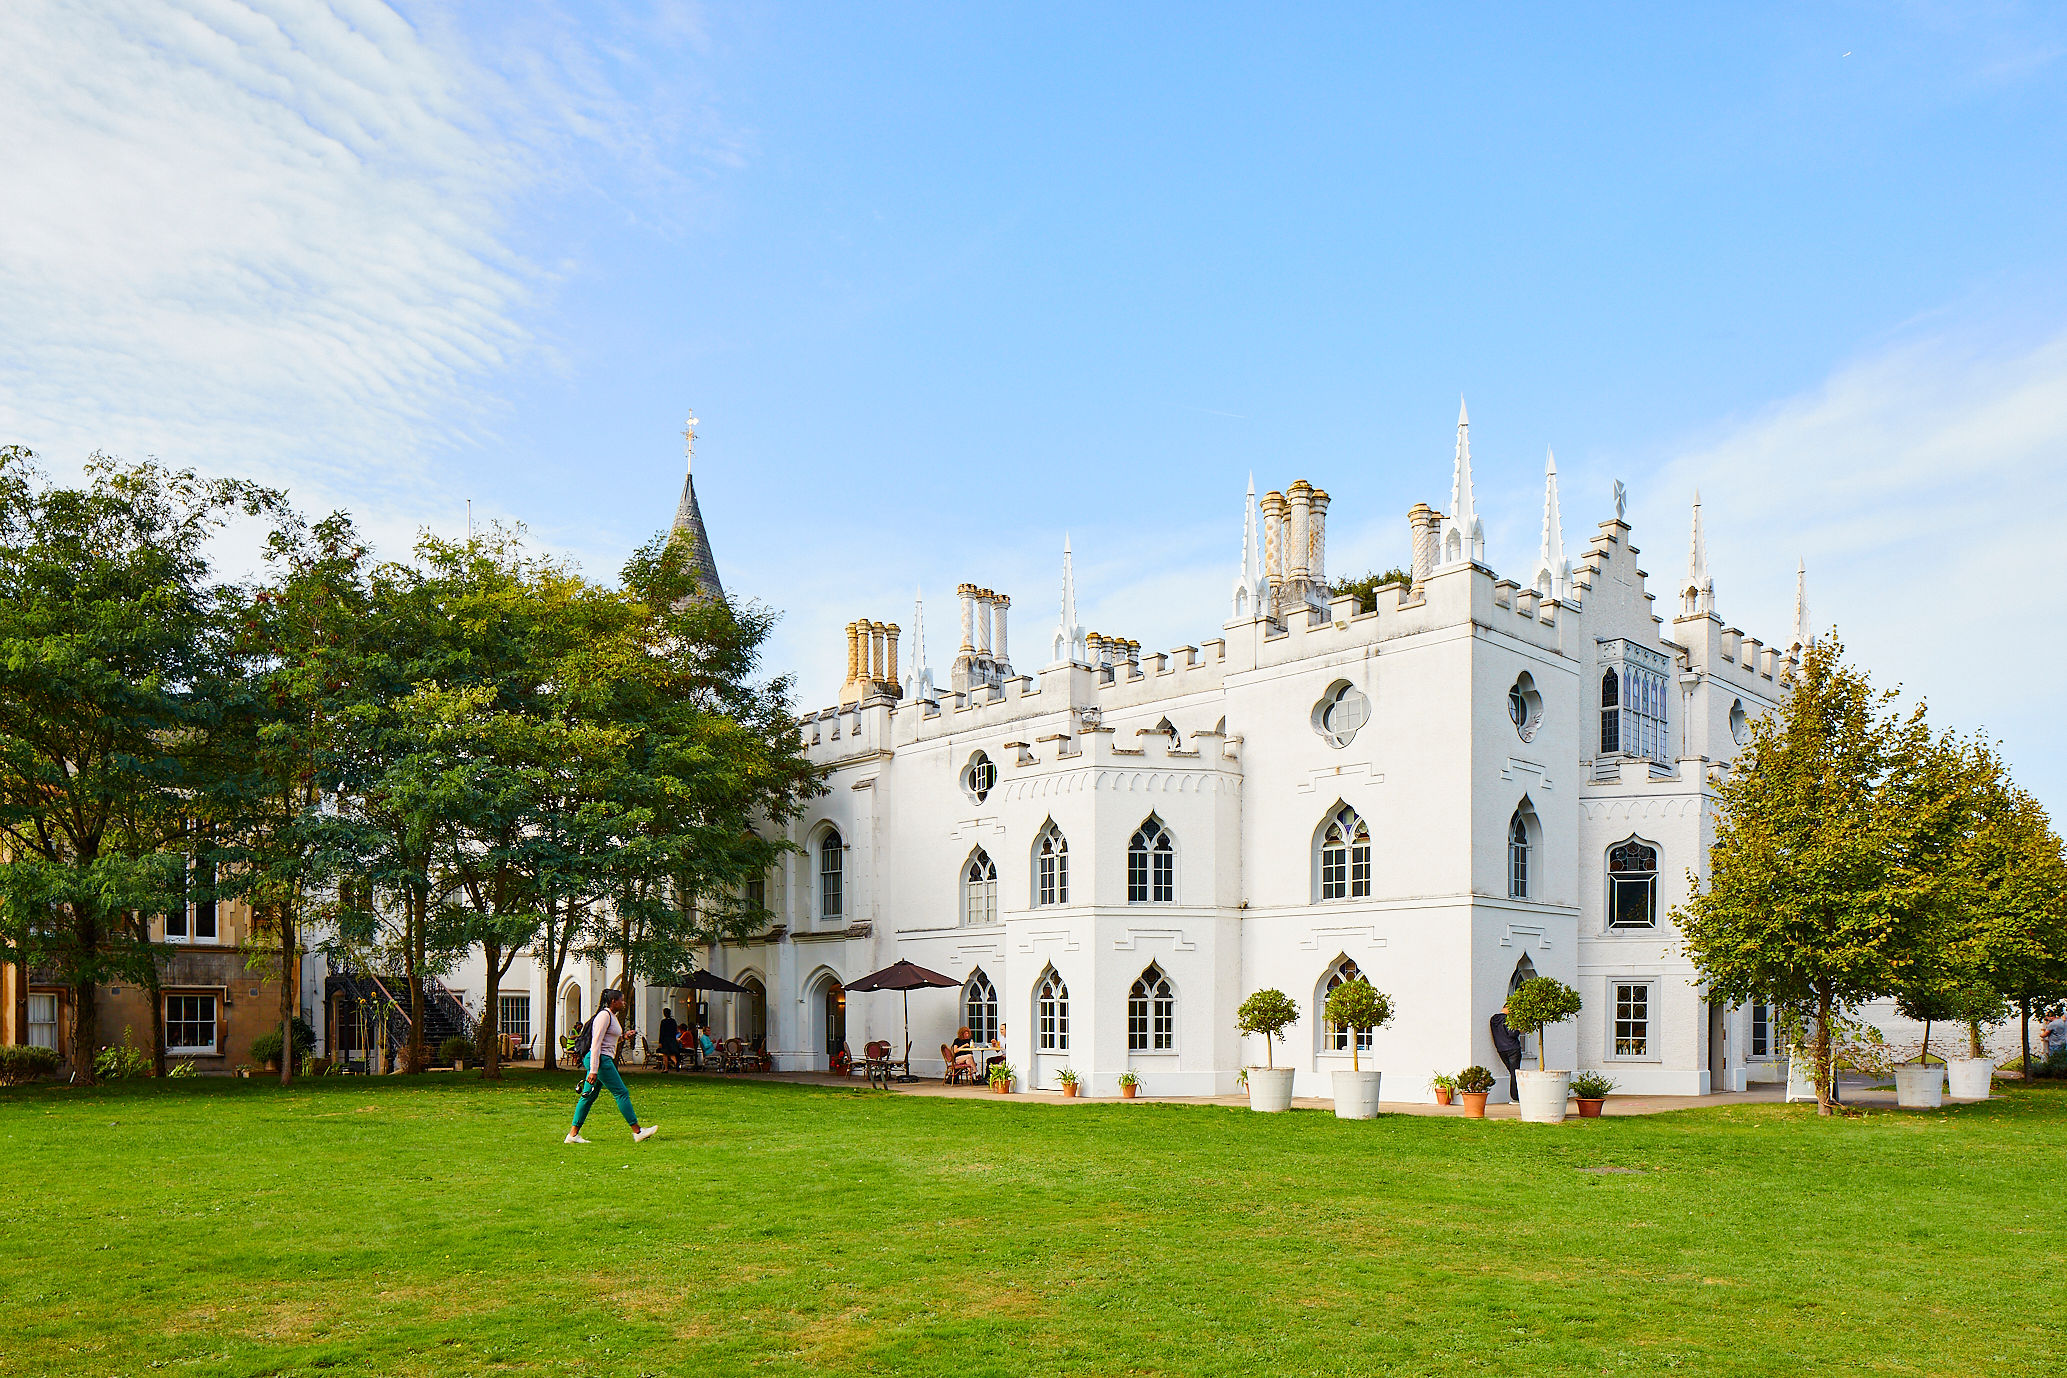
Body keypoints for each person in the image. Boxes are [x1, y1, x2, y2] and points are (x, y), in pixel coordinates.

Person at [566, 988, 658, 1145]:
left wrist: (623, 1036)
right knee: (621, 1092)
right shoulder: (604, 1016)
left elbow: (608, 1039)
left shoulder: (611, 1016)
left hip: (601, 1059)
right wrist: (594, 1070)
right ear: (613, 1001)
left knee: (588, 1097)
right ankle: (638, 1131)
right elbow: (596, 1043)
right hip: (601, 1061)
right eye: (621, 1000)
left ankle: (572, 1135)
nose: (624, 1003)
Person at [1490, 1002, 1524, 1103]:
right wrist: (1519, 1030)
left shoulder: (1493, 1019)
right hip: (1513, 1048)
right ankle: (1515, 1097)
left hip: (1501, 1049)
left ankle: (1516, 1095)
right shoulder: (1508, 1019)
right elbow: (1512, 1033)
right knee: (1515, 1073)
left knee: (1512, 1072)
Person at [658, 1008, 683, 1073]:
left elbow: (661, 1032)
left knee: (665, 1054)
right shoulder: (673, 1021)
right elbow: (675, 1031)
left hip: (665, 1040)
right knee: (672, 1053)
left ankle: (666, 1069)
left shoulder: (663, 1022)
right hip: (672, 1039)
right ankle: (676, 1062)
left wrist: (660, 1042)